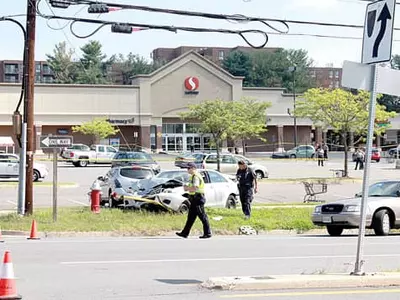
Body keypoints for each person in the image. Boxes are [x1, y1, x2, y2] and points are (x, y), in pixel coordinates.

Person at [176, 162, 212, 239]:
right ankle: (185, 233)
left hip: (198, 198)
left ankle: (208, 233)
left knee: (202, 216)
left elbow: (195, 187)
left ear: (193, 168)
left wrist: (187, 188)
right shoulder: (192, 177)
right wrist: (187, 187)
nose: (187, 170)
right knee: (191, 217)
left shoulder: (195, 177)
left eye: (188, 168)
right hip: (194, 199)